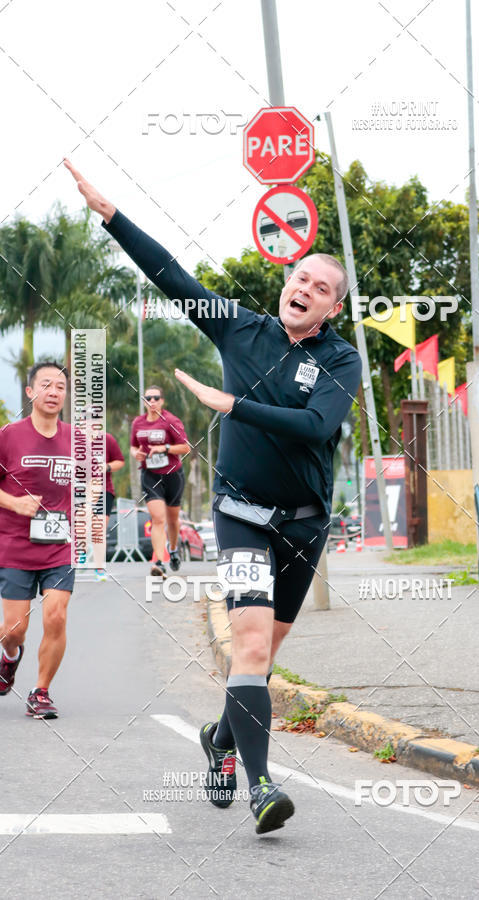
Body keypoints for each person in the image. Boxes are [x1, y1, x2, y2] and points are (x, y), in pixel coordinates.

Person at [65, 159, 362, 834]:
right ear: (285, 283)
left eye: (322, 288)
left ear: (332, 307)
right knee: (250, 647)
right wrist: (111, 216)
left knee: (264, 655)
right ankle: (261, 788)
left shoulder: (340, 361)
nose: (307, 290)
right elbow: (171, 274)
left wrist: (231, 403)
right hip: (241, 517)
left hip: (305, 524)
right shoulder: (239, 328)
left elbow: (318, 427)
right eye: (301, 278)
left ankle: (221, 739)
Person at [0, 361, 75, 719]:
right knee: (14, 630)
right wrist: (14, 502)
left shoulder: (77, 439)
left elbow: (89, 486)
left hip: (59, 544)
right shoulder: (9, 435)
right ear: (31, 392)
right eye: (46, 385)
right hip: (14, 545)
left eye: (60, 387)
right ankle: (9, 656)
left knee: (57, 617)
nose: (54, 392)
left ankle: (40, 691)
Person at [130, 386, 190, 577]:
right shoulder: (138, 423)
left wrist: (164, 448)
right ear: (144, 401)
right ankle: (158, 560)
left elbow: (185, 448)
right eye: (148, 398)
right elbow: (133, 446)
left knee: (172, 520)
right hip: (150, 475)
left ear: (162, 401)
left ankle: (173, 550)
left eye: (156, 398)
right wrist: (136, 453)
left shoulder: (171, 421)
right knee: (158, 519)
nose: (152, 401)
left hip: (173, 475)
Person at [92, 428, 125, 581]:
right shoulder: (73, 440)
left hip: (103, 489)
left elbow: (120, 461)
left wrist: (107, 466)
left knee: (98, 528)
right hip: (78, 490)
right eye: (86, 419)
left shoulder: (107, 439)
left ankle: (99, 568)